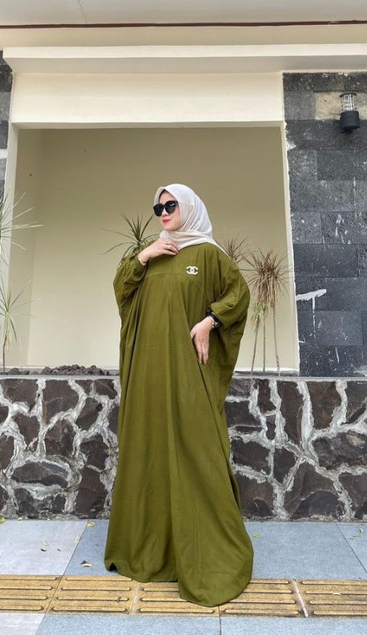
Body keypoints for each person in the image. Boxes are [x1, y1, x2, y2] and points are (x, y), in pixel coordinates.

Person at [104, 183, 253, 607]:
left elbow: (238, 295)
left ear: (188, 207)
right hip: (147, 375)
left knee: (197, 450)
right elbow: (123, 293)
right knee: (148, 449)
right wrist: (143, 256)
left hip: (188, 375)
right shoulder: (152, 254)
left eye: (171, 205)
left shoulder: (208, 255)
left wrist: (210, 321)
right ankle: (150, 547)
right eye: (158, 207)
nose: (164, 212)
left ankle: (206, 550)